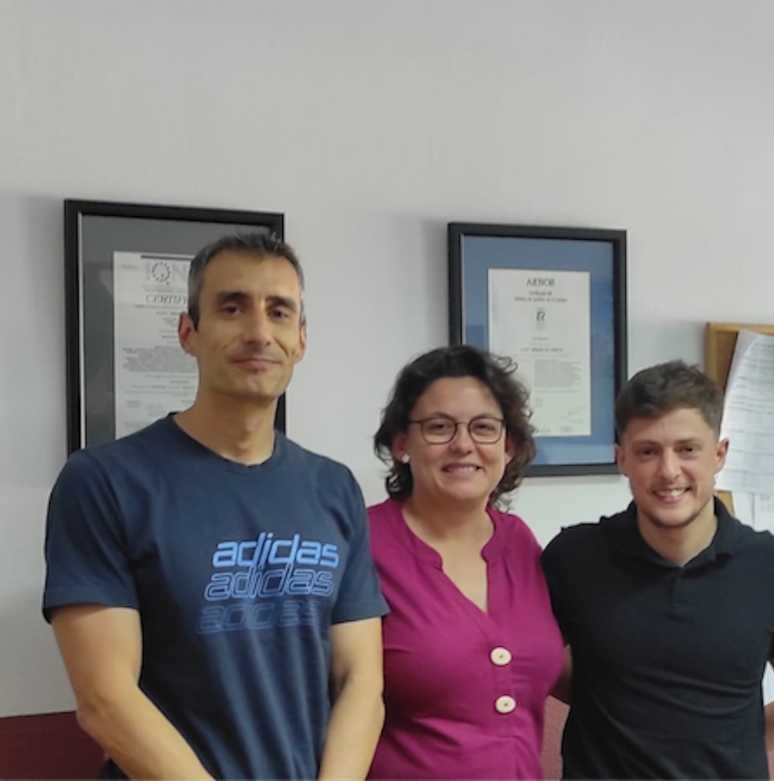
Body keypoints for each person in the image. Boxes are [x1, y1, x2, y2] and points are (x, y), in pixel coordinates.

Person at [42, 234, 388, 779]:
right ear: (188, 333)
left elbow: (360, 681)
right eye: (232, 307)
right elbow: (106, 700)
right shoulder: (105, 481)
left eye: (279, 312)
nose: (258, 332)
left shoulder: (333, 488)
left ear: (300, 339)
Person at [541, 360, 774, 779]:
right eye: (648, 451)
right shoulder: (573, 557)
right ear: (621, 458)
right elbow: (531, 664)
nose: (669, 471)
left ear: (719, 454)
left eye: (687, 449)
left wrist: (728, 739)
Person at [367, 345, 563, 779]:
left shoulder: (520, 542)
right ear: (401, 443)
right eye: (439, 427)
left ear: (508, 446)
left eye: (484, 428)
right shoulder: (361, 547)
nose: (463, 445)